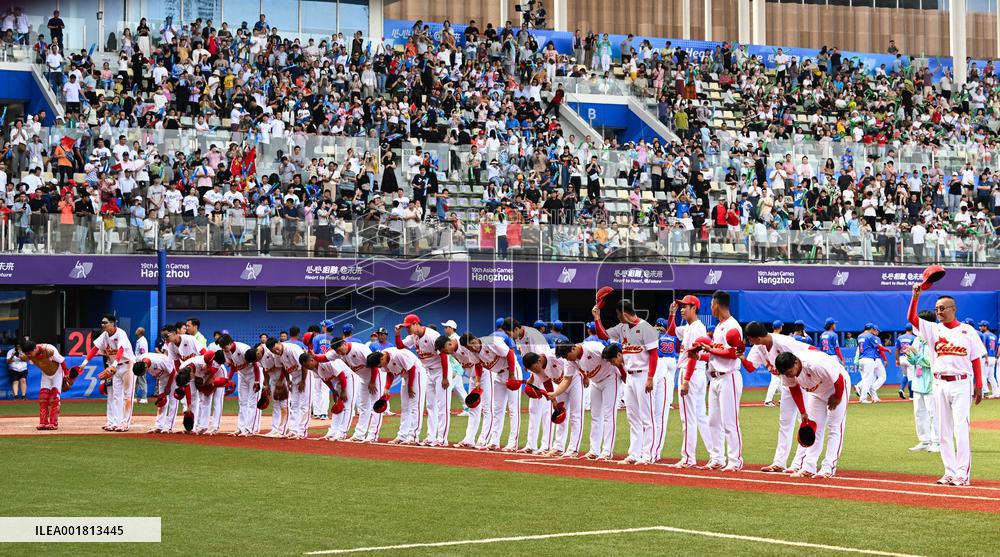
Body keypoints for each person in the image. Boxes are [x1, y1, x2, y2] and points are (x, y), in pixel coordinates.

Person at [908, 284, 986, 486]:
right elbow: (912, 319)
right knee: (943, 430)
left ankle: (962, 474)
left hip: (961, 383)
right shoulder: (933, 329)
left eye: (942, 308)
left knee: (960, 428)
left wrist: (979, 385)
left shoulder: (967, 331)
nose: (939, 312)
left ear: (953, 309)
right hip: (939, 383)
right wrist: (915, 297)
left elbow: (976, 358)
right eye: (936, 309)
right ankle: (949, 472)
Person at [593, 299, 659, 465]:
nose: (617, 317)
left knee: (647, 417)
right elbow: (603, 334)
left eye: (618, 314)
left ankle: (648, 455)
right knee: (632, 417)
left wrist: (650, 377)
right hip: (630, 376)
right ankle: (634, 454)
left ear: (624, 313)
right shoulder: (622, 328)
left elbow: (654, 355)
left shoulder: (646, 328)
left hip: (644, 374)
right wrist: (597, 317)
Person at [745, 322, 812, 473]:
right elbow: (750, 367)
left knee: (805, 421)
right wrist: (741, 356)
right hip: (787, 383)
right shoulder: (759, 347)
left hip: (803, 381)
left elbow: (810, 351)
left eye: (750, 339)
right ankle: (779, 462)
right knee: (785, 422)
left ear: (759, 338)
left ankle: (799, 463)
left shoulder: (784, 342)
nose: (749, 342)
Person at [774, 349, 850, 479]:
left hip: (836, 388)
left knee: (834, 427)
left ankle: (828, 468)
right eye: (786, 374)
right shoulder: (787, 373)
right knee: (814, 428)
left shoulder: (815, 364)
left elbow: (839, 379)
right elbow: (794, 389)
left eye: (789, 372)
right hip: (816, 393)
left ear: (796, 362)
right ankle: (809, 467)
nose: (789, 376)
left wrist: (837, 397)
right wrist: (803, 412)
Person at [696, 291, 744, 472]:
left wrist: (710, 350)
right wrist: (700, 355)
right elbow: (715, 353)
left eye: (711, 305)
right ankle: (717, 458)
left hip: (729, 377)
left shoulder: (733, 327)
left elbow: (733, 353)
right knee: (713, 421)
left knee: (729, 422)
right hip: (715, 378)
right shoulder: (719, 327)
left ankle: (735, 460)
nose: (710, 308)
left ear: (716, 304)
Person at [554, 340, 623, 460]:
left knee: (608, 415)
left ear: (573, 349)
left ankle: (606, 451)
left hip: (610, 378)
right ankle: (594, 450)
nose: (566, 359)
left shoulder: (593, 348)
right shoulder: (570, 361)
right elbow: (566, 380)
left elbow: (613, 356)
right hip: (596, 383)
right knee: (595, 416)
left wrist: (624, 374)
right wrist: (554, 393)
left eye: (566, 355)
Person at [668, 295, 714, 468]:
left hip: (691, 372)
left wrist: (686, 380)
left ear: (694, 308)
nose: (681, 308)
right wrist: (671, 315)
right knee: (700, 417)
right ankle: (715, 455)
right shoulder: (690, 327)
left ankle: (688, 458)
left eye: (684, 306)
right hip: (697, 373)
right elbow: (672, 332)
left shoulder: (695, 328)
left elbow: (694, 355)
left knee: (687, 418)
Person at [459, 333, 519, 451]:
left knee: (513, 408)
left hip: (511, 370)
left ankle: (512, 443)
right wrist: (477, 381)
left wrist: (512, 375)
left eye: (473, 345)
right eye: (469, 348)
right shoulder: (472, 351)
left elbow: (510, 354)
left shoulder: (491, 342)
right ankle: (494, 442)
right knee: (497, 409)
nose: (473, 349)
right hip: (498, 374)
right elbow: (477, 365)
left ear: (476, 339)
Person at [396, 313, 448, 446]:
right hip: (428, 372)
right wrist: (397, 334)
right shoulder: (414, 336)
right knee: (430, 406)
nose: (407, 329)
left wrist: (445, 377)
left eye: (408, 327)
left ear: (416, 324)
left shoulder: (431, 335)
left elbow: (443, 356)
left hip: (441, 371)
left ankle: (442, 439)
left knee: (443, 406)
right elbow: (400, 346)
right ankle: (431, 437)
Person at [78, 314, 136, 431]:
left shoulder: (121, 333)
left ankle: (125, 423)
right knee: (115, 396)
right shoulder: (105, 335)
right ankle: (115, 422)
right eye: (102, 323)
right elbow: (95, 349)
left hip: (127, 365)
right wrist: (84, 363)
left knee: (127, 396)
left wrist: (113, 365)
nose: (102, 325)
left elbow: (121, 350)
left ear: (113, 323)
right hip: (115, 368)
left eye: (105, 322)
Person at [506, 318, 552, 454]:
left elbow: (538, 360)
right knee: (533, 409)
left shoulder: (532, 335)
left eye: (509, 333)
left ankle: (546, 445)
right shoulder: (519, 337)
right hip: (535, 373)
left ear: (515, 329)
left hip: (545, 372)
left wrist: (532, 378)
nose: (509, 336)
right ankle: (531, 444)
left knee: (546, 410)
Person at [903, 311, 939, 453]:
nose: (914, 326)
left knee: (934, 413)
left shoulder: (935, 339)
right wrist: (910, 355)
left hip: (931, 382)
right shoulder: (917, 339)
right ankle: (924, 440)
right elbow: (914, 361)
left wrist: (916, 354)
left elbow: (931, 362)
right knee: (919, 413)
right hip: (918, 382)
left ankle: (937, 441)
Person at [300, 352, 354, 441]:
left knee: (347, 406)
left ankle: (342, 433)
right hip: (338, 381)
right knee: (338, 407)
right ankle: (332, 432)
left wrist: (344, 391)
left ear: (311, 360)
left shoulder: (325, 362)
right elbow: (325, 379)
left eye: (306, 365)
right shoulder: (314, 368)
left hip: (349, 378)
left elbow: (342, 375)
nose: (306, 368)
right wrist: (333, 391)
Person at [18, 340, 70, 430]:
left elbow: (62, 361)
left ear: (35, 349)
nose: (28, 355)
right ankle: (43, 422)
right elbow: (23, 357)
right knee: (43, 397)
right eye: (26, 353)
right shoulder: (29, 354)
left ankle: (54, 423)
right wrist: (21, 356)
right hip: (45, 373)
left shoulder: (49, 350)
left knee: (55, 397)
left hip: (57, 372)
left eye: (29, 353)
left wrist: (66, 375)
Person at [217, 334, 261, 437]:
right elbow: (232, 366)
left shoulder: (243, 349)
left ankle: (250, 429)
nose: (223, 349)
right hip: (242, 375)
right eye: (222, 347)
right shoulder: (226, 351)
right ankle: (241, 428)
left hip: (254, 375)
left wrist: (257, 381)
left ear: (230, 343)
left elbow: (255, 365)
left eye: (224, 346)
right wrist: (228, 378)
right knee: (242, 402)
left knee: (252, 402)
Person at [265, 338, 309, 439]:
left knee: (304, 405)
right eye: (273, 351)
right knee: (294, 404)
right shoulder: (277, 355)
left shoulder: (292, 349)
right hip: (294, 376)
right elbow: (284, 368)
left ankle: (302, 431)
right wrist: (288, 380)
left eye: (276, 348)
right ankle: (293, 430)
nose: (276, 351)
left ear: (279, 343)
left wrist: (303, 381)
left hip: (305, 375)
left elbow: (304, 365)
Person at [651, 317, 679, 462]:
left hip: (658, 362)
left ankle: (650, 449)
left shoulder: (653, 333)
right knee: (662, 409)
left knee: (652, 410)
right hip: (670, 361)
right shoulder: (671, 335)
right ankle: (668, 401)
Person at [762, 320, 784, 407]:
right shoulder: (780, 337)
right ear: (780, 327)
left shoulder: (769, 336)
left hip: (772, 361)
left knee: (781, 382)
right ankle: (768, 401)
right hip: (777, 362)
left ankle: (782, 399)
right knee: (775, 382)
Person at [896, 324, 917, 400]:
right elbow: (915, 350)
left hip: (901, 358)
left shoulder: (900, 337)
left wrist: (897, 360)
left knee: (905, 375)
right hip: (909, 358)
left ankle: (901, 389)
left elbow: (897, 349)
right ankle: (911, 396)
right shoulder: (914, 338)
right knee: (911, 377)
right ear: (912, 329)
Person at [134, 327, 149, 404]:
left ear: (140, 332)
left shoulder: (142, 341)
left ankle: (144, 397)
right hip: (137, 363)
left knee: (142, 380)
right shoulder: (139, 340)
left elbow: (143, 353)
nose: (135, 331)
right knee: (136, 381)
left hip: (141, 364)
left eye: (137, 330)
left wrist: (143, 365)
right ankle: (135, 397)